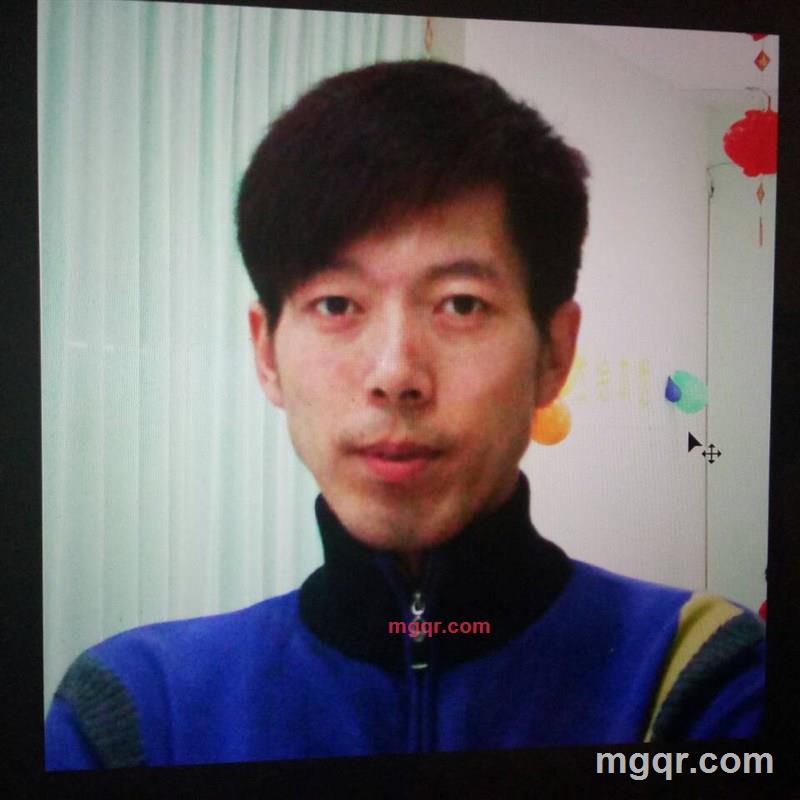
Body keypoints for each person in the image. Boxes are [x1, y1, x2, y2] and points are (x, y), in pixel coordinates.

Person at [45, 60, 764, 769]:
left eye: (461, 305)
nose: (395, 375)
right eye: (336, 304)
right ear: (266, 353)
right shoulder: (140, 713)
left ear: (554, 352)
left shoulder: (697, 679)